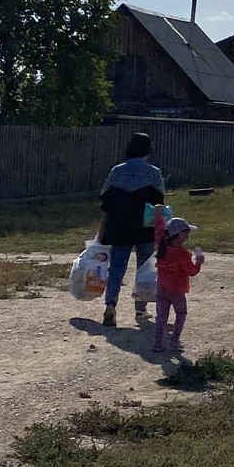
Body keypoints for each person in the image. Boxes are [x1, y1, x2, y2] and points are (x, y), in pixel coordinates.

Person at [96, 132, 166, 329]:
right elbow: (159, 203)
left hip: (120, 226)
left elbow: (106, 200)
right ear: (148, 150)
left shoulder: (117, 171)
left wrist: (102, 228)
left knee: (117, 268)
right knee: (144, 268)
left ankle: (111, 305)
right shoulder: (153, 172)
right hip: (144, 226)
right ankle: (140, 309)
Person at [151, 216, 203, 354]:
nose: (188, 236)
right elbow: (191, 271)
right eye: (186, 233)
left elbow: (159, 231)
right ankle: (174, 341)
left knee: (161, 317)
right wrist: (199, 262)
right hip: (177, 290)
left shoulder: (161, 246)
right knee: (181, 313)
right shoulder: (182, 254)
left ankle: (158, 343)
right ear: (180, 235)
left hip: (161, 288)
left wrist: (158, 217)